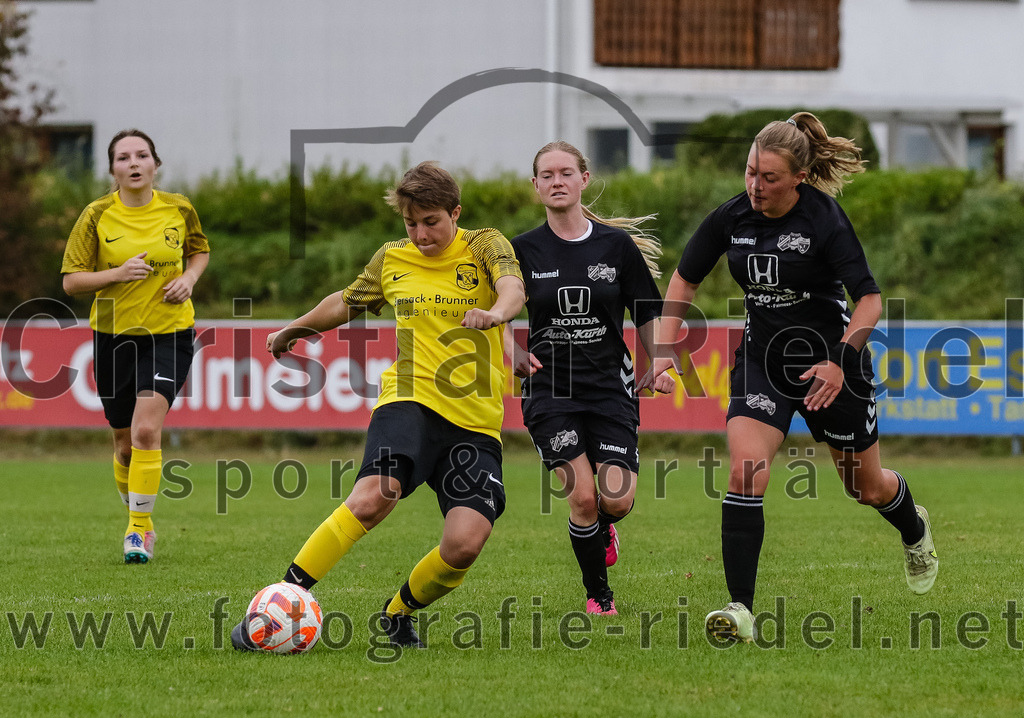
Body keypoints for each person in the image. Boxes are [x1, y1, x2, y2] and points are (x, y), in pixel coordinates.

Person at [652, 112, 938, 643]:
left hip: (832, 364)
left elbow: (870, 301)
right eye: (749, 173)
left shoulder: (824, 220)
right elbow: (685, 279)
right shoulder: (731, 218)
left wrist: (839, 359)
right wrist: (666, 349)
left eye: (769, 179)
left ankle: (914, 528)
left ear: (799, 179)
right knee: (745, 471)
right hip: (763, 362)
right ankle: (740, 609)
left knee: (866, 488)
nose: (755, 187)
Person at [231, 162, 525, 650]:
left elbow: (513, 287)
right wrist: (293, 329)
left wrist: (496, 313)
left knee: (464, 544)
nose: (420, 233)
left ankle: (397, 614)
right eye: (410, 223)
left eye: (431, 221)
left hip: (475, 422)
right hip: (409, 399)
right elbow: (346, 301)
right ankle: (282, 599)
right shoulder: (392, 259)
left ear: (456, 212)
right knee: (375, 495)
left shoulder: (486, 244)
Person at [505, 141, 673, 616]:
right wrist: (509, 346)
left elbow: (646, 312)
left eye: (565, 173)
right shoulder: (521, 251)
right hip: (549, 390)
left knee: (614, 499)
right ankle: (600, 597)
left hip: (609, 390)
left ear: (583, 179)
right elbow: (499, 308)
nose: (556, 181)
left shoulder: (615, 247)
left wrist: (659, 359)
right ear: (535, 186)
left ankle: (606, 525)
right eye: (546, 175)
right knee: (582, 496)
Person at [61, 129, 210, 564]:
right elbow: (71, 281)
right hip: (112, 337)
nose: (134, 163)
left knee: (147, 430)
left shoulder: (179, 208)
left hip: (170, 334)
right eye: (123, 157)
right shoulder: (96, 215)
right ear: (112, 170)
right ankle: (137, 516)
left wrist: (189, 278)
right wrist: (115, 274)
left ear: (155, 164)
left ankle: (138, 530)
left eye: (142, 155)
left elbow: (199, 252)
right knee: (125, 445)